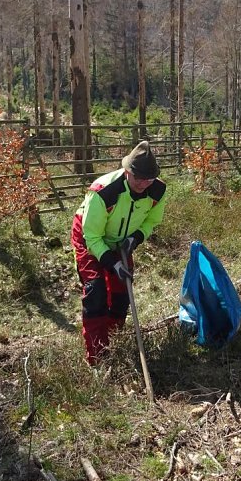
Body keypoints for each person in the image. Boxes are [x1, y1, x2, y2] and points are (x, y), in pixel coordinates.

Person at [71, 140, 167, 364]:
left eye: (149, 179)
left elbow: (152, 220)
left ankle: (114, 339)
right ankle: (97, 356)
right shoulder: (104, 192)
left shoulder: (158, 190)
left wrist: (135, 238)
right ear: (127, 172)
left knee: (122, 291)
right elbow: (92, 235)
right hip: (89, 236)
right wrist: (112, 263)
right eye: (139, 178)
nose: (144, 184)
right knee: (96, 292)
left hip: (122, 240)